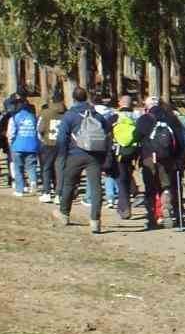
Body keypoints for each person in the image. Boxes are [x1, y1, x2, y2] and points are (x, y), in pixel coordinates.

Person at [54, 86, 110, 233]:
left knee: (69, 184)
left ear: (73, 98)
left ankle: (64, 214)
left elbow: (62, 138)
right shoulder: (96, 115)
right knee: (96, 187)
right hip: (94, 155)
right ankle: (95, 221)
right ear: (86, 97)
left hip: (75, 154)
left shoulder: (70, 115)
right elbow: (107, 132)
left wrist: (62, 156)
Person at [136, 96, 185, 231]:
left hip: (148, 158)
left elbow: (136, 136)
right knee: (167, 185)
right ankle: (167, 203)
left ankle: (153, 219)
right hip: (168, 159)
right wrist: (179, 158)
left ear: (148, 106)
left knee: (151, 189)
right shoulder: (171, 118)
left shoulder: (144, 119)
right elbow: (181, 140)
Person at [6, 90, 41, 196]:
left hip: (18, 146)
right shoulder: (33, 118)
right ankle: (33, 183)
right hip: (31, 145)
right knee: (31, 167)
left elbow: (11, 133)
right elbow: (38, 131)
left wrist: (11, 143)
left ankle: (19, 189)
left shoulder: (14, 118)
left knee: (18, 168)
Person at [36, 90, 68, 201]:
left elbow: (40, 129)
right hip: (62, 144)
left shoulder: (46, 112)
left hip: (48, 144)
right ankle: (59, 194)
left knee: (46, 168)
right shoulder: (66, 113)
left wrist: (43, 138)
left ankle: (46, 192)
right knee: (60, 169)